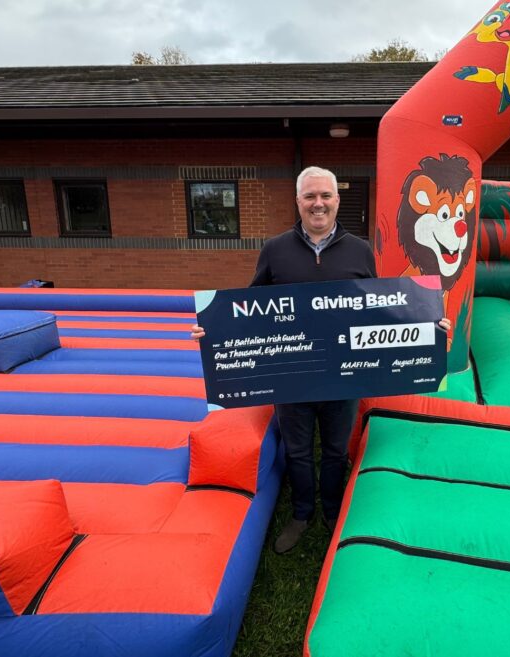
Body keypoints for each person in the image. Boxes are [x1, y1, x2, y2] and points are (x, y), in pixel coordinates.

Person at [192, 166, 449, 554]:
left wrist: (429, 326)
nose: (318, 203)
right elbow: (248, 306)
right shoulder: (275, 250)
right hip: (292, 376)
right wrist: (213, 332)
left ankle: (332, 511)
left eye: (325, 196)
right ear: (298, 202)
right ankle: (301, 512)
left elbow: (379, 308)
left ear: (337, 200)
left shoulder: (360, 250)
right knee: (297, 451)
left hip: (342, 375)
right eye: (310, 196)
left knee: (333, 450)